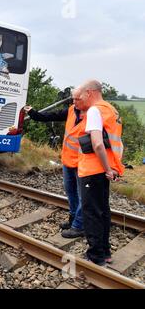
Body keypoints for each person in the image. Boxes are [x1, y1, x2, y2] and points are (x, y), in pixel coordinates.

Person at [75, 80, 125, 266]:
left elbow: (97, 143)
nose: (81, 99)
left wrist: (106, 169)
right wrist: (110, 169)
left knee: (92, 213)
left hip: (94, 170)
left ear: (90, 92)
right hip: (106, 169)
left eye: (82, 95)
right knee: (103, 211)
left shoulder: (95, 110)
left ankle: (96, 256)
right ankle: (105, 252)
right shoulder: (112, 110)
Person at [24, 95, 86, 238]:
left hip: (83, 163)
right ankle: (73, 219)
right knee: (71, 192)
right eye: (73, 99)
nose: (74, 102)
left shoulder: (93, 114)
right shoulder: (71, 110)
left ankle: (79, 225)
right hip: (68, 160)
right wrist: (32, 112)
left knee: (83, 195)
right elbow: (50, 116)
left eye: (77, 99)